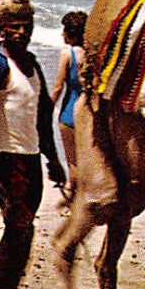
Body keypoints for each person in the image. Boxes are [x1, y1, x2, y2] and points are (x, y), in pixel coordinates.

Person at [0, 11, 66, 289]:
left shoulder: (33, 64)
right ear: (2, 30)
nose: (22, 31)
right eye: (15, 26)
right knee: (19, 221)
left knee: (24, 225)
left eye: (27, 26)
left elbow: (42, 117)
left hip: (30, 155)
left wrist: (53, 160)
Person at [50, 10, 88, 195]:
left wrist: (47, 109)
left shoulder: (68, 54)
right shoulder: (92, 53)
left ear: (69, 33)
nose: (61, 34)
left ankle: (74, 200)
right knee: (87, 160)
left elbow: (58, 87)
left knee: (73, 161)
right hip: (89, 113)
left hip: (69, 113)